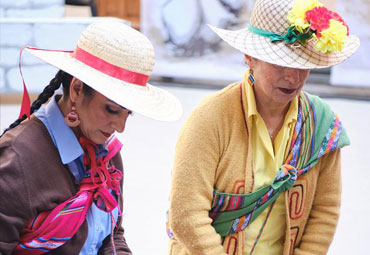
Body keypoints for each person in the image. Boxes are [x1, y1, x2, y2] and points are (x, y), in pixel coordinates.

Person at [167, 0, 359, 254]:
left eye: (302, 65)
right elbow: (186, 213)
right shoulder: (210, 118)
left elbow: (325, 210)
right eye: (280, 63)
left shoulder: (321, 125)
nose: (293, 77)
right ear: (249, 57)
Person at [0, 21, 182, 255]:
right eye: (111, 110)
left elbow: (112, 233)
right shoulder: (17, 160)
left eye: (129, 113)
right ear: (76, 90)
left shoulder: (108, 156)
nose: (121, 126)